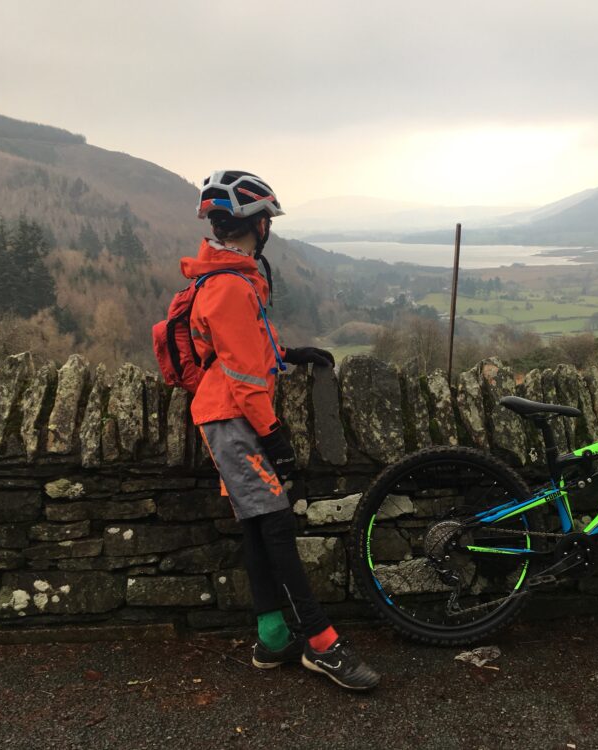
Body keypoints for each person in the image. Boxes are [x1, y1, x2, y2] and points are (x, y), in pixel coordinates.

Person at [183, 170, 380, 691]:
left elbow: (242, 349)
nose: (269, 226)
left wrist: (289, 354)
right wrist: (275, 439)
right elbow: (245, 378)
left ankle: (272, 641)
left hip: (229, 416)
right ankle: (320, 644)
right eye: (267, 218)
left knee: (256, 525)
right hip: (234, 421)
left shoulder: (234, 276)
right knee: (276, 529)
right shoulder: (228, 286)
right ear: (257, 224)